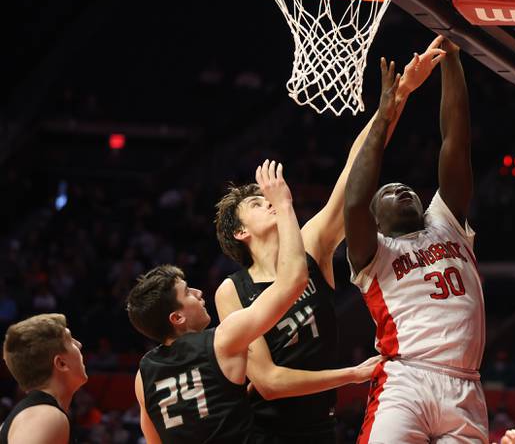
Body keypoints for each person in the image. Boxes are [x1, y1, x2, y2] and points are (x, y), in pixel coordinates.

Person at [213, 37, 445, 443]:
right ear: (240, 231)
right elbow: (268, 381)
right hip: (265, 431)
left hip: (321, 426)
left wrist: (398, 97)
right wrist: (352, 375)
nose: (267, 200)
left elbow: (353, 174)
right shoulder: (233, 291)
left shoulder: (310, 247)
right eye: (255, 202)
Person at [128, 161, 377, 443]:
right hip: (272, 432)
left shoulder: (145, 374)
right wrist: (283, 205)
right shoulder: (221, 337)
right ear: (177, 318)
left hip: (319, 422)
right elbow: (293, 283)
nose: (198, 293)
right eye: (187, 292)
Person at [344, 38, 489, 443]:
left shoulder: (445, 222)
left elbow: (455, 143)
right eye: (389, 191)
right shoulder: (373, 254)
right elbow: (354, 200)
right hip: (406, 380)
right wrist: (382, 120)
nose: (402, 190)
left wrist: (453, 60)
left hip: (465, 387)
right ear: (375, 220)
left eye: (406, 187)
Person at [0, 313, 87, 444]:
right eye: (70, 340)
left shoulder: (37, 414)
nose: (79, 344)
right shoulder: (46, 416)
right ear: (61, 363)